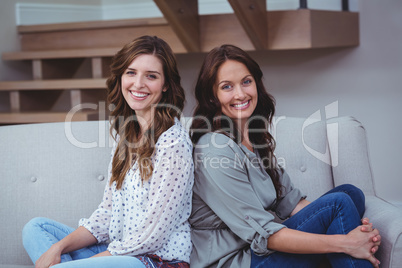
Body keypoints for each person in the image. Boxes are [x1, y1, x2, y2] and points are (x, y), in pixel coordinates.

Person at [189, 44, 381, 268]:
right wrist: (345, 242)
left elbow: (291, 203)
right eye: (227, 87)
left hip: (259, 251)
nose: (240, 93)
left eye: (246, 81)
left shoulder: (254, 139)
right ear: (213, 96)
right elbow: (265, 235)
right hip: (238, 261)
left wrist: (361, 236)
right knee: (338, 204)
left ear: (257, 84)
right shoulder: (216, 148)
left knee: (350, 194)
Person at [22, 35, 194, 268]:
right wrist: (57, 248)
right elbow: (107, 214)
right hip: (118, 250)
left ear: (165, 85)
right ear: (121, 77)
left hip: (155, 259)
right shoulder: (127, 135)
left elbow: (154, 236)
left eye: (151, 76)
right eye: (131, 72)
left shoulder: (173, 142)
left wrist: (91, 262)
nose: (138, 83)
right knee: (36, 228)